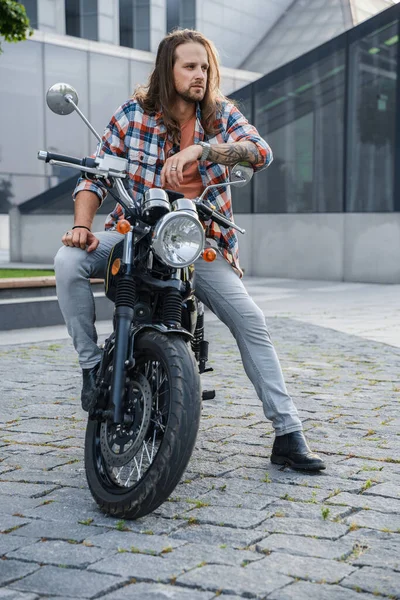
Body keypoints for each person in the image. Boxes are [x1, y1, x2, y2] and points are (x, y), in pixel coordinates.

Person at [54, 29, 325, 472]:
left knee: (252, 321)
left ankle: (288, 432)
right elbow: (95, 175)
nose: (199, 75)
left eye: (205, 67)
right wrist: (82, 226)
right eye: (189, 66)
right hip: (132, 233)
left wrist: (204, 149)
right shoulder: (132, 114)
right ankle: (90, 369)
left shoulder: (220, 118)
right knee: (67, 260)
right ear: (168, 69)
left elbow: (261, 152)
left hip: (197, 245)